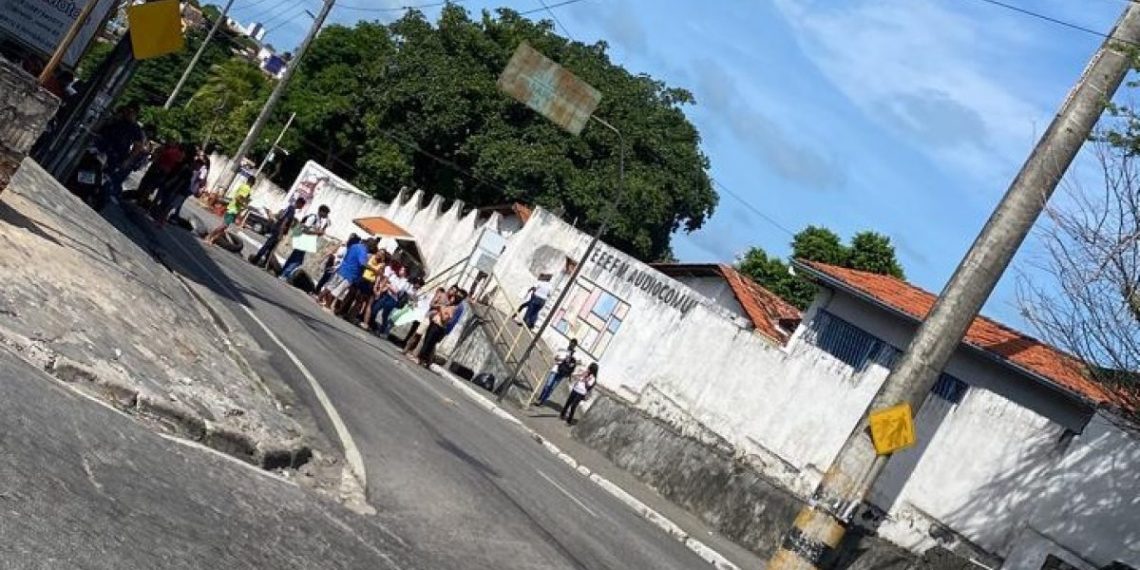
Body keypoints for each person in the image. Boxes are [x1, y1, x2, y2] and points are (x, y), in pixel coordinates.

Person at [95, 103, 147, 206]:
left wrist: (128, 160)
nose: (128, 113)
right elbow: (100, 128)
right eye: (127, 110)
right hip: (102, 148)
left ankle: (99, 196)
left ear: (135, 114)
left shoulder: (135, 128)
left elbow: (138, 147)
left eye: (131, 112)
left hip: (117, 155)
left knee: (107, 178)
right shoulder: (116, 120)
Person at [320, 237, 374, 313]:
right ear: (370, 246)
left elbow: (347, 255)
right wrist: (373, 269)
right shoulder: (363, 251)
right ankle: (327, 305)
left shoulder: (355, 245)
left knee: (330, 286)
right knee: (337, 291)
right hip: (350, 273)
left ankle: (319, 298)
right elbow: (362, 263)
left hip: (343, 268)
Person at [417, 289, 468, 367]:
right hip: (436, 323)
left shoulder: (458, 307)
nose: (457, 295)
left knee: (430, 343)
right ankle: (426, 360)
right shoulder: (452, 302)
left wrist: (442, 309)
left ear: (463, 297)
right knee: (428, 341)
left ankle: (423, 359)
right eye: (457, 294)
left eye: (460, 295)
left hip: (441, 326)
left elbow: (450, 320)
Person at [249, 197, 305, 267]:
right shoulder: (292, 210)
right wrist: (280, 233)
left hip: (277, 228)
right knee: (268, 245)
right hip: (278, 230)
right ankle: (256, 259)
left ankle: (265, 262)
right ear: (299, 203)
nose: (302, 207)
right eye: (302, 205)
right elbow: (285, 221)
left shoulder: (290, 207)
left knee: (270, 248)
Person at [280, 205, 331, 280]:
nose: (326, 215)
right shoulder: (313, 218)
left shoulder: (318, 220)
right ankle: (284, 274)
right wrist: (317, 233)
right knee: (298, 260)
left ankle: (283, 272)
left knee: (293, 258)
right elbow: (304, 230)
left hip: (307, 241)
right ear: (321, 211)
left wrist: (323, 227)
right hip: (303, 240)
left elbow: (315, 230)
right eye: (326, 213)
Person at [206, 174, 255, 245]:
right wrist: (244, 204)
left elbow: (239, 197)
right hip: (233, 209)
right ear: (252, 183)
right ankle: (209, 237)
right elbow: (238, 198)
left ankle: (212, 240)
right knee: (224, 226)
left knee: (224, 227)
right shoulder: (247, 189)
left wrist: (245, 201)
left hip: (232, 207)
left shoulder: (242, 186)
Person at [364, 265, 411, 335]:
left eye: (402, 270)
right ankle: (373, 325)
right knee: (375, 309)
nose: (400, 271)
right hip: (386, 295)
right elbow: (387, 282)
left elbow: (396, 291)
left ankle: (382, 330)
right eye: (401, 269)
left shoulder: (405, 282)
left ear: (405, 273)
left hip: (393, 299)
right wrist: (381, 290)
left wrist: (389, 286)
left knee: (385, 315)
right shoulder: (395, 276)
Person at [536, 339, 579, 406]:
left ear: (575, 346)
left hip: (562, 373)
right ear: (569, 342)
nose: (572, 345)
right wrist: (564, 360)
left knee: (552, 387)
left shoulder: (574, 354)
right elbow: (556, 358)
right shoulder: (562, 349)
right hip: (556, 369)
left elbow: (573, 365)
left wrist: (571, 364)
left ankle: (542, 401)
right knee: (548, 385)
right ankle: (540, 398)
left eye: (574, 345)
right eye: (572, 343)